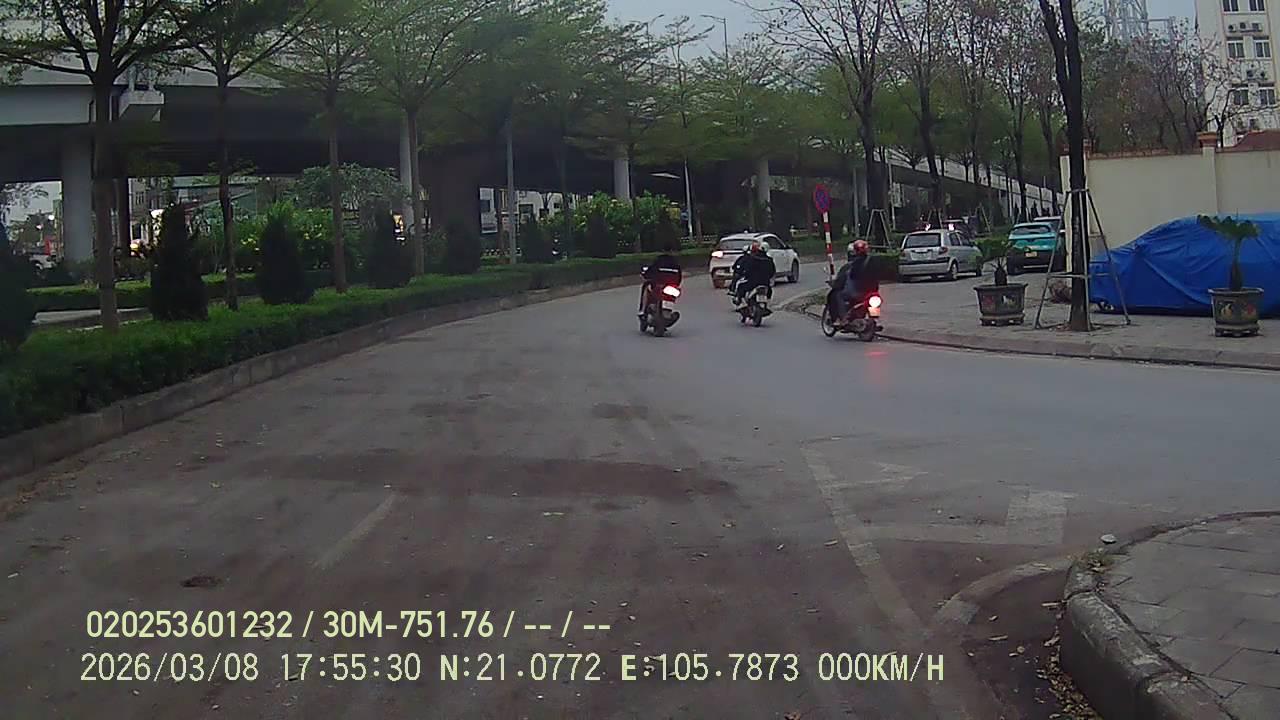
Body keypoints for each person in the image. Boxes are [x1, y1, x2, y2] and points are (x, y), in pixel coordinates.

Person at [834, 240, 875, 322]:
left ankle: (843, 318)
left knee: (838, 295)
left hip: (855, 293)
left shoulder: (851, 265)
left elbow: (842, 280)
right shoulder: (872, 262)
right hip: (871, 293)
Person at [731, 241, 776, 305]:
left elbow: (747, 269)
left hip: (752, 283)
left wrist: (744, 274)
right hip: (765, 283)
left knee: (741, 287)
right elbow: (772, 272)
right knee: (769, 291)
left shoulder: (752, 259)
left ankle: (739, 300)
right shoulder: (769, 260)